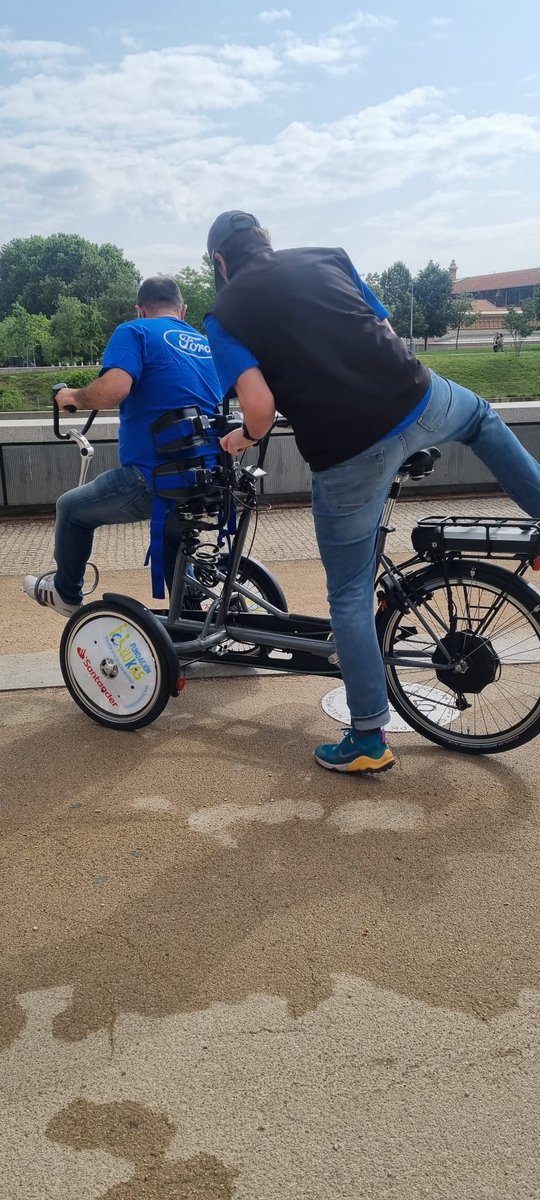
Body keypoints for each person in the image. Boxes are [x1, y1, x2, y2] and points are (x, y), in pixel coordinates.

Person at [204, 210, 540, 776]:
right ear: (268, 243)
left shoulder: (224, 314)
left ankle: (367, 737)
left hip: (349, 452)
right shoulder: (328, 256)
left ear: (219, 262)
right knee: (482, 418)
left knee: (350, 596)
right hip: (422, 399)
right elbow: (377, 328)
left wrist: (244, 436)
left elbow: (258, 409)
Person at [23, 276, 222, 615]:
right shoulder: (205, 346)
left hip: (154, 478)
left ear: (141, 309)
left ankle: (66, 595)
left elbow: (114, 390)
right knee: (176, 539)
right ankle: (186, 616)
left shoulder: (135, 332)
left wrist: (72, 396)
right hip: (207, 478)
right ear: (183, 310)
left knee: (71, 509)